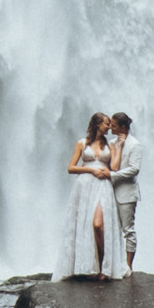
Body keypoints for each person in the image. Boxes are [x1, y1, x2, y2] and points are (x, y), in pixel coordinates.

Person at [52, 112, 130, 282]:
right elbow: (71, 168)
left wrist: (120, 146)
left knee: (98, 225)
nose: (110, 127)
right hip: (84, 187)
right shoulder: (82, 143)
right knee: (83, 225)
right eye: (106, 124)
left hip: (103, 186)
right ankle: (89, 265)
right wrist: (91, 169)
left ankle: (104, 265)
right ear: (97, 125)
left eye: (110, 124)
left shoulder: (111, 146)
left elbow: (115, 167)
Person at [108, 112, 141, 267]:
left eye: (113, 125)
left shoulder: (135, 144)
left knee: (128, 230)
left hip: (127, 193)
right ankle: (113, 263)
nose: (110, 127)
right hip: (109, 191)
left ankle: (128, 266)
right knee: (111, 229)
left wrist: (113, 176)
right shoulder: (112, 143)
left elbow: (134, 169)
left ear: (122, 127)